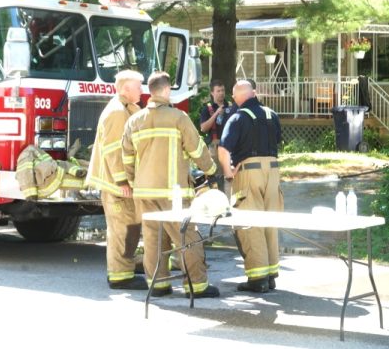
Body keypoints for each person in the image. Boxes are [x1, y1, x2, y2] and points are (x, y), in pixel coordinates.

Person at [121, 71, 220, 298]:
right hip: (173, 193)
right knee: (186, 238)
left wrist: (134, 181)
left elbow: (126, 157)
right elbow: (197, 150)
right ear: (166, 91)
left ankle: (158, 285)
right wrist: (211, 171)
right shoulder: (179, 117)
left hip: (145, 192)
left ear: (150, 92)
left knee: (153, 240)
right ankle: (196, 286)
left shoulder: (134, 121)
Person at [218, 79, 283, 293]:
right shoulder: (271, 114)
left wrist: (228, 173)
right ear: (253, 94)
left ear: (238, 96)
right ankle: (271, 274)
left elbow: (224, 149)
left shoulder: (237, 117)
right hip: (273, 172)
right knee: (270, 221)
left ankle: (257, 278)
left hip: (249, 172)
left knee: (249, 222)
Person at [87, 70, 147, 290]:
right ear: (124, 89)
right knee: (122, 229)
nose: (142, 90)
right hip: (116, 185)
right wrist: (123, 182)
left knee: (128, 227)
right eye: (138, 86)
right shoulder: (116, 113)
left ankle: (124, 270)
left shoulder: (124, 109)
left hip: (118, 184)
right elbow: (114, 151)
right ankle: (120, 276)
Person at [198, 79, 232, 194]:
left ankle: (228, 199)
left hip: (228, 146)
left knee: (229, 176)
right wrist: (216, 113)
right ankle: (217, 197)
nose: (221, 93)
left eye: (222, 90)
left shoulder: (231, 107)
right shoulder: (207, 109)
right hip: (214, 147)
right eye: (218, 91)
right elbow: (203, 128)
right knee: (215, 177)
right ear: (212, 93)